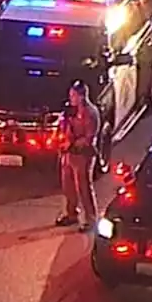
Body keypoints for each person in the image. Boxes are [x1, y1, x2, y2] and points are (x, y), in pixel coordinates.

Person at [55, 79, 102, 231]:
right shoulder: (70, 111)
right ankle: (71, 214)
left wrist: (73, 144)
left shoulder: (91, 113)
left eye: (73, 95)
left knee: (83, 187)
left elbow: (89, 138)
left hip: (83, 156)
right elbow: (63, 126)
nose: (71, 98)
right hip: (68, 154)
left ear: (82, 96)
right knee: (67, 185)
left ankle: (91, 219)